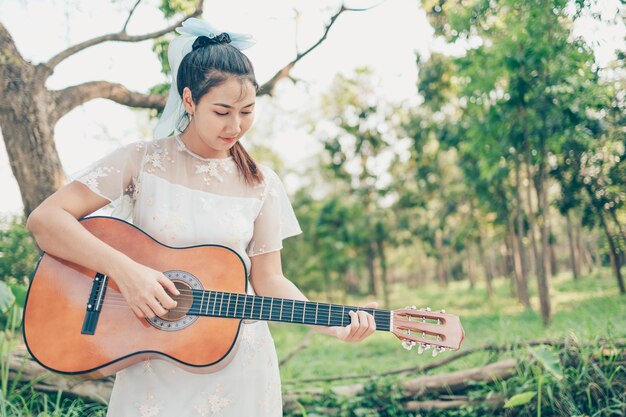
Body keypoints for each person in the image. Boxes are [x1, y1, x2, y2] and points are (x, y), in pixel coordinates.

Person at [26, 17, 377, 416]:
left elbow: (268, 278)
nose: (236, 125)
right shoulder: (141, 162)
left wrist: (330, 323)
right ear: (189, 100)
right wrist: (127, 272)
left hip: (239, 366)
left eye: (247, 111)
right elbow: (46, 220)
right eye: (222, 111)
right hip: (152, 361)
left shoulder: (262, 183)